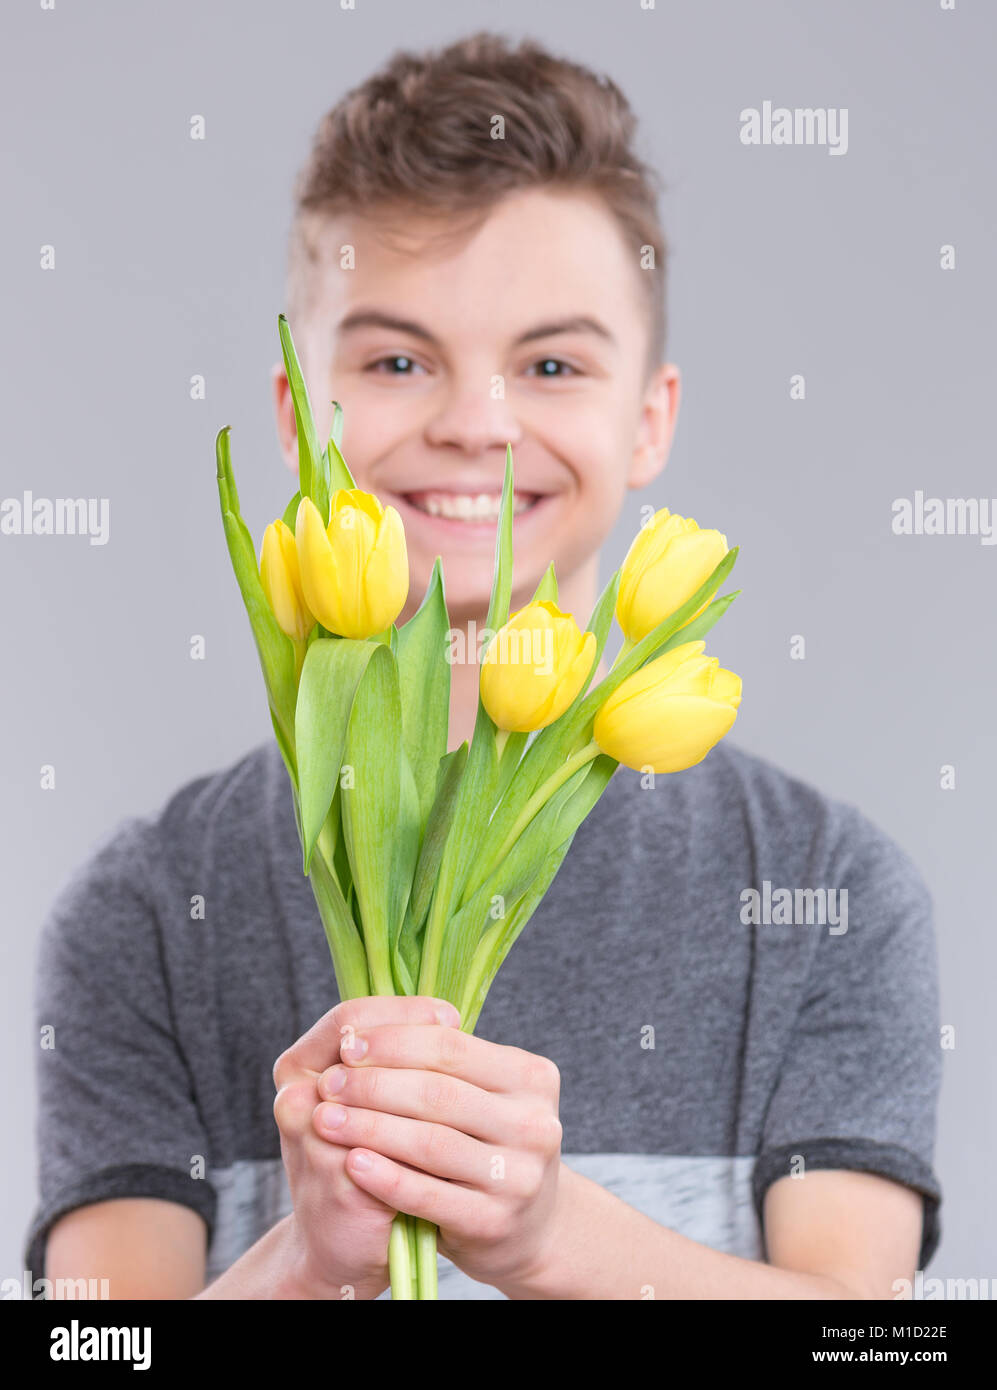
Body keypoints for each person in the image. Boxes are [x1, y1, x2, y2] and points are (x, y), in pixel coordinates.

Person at [26, 31, 942, 1300]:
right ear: (303, 414)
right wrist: (311, 1258)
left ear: (650, 418)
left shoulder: (825, 891)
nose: (475, 423)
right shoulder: (147, 908)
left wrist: (553, 1239)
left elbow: (873, 1342)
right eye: (397, 361)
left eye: (551, 364)